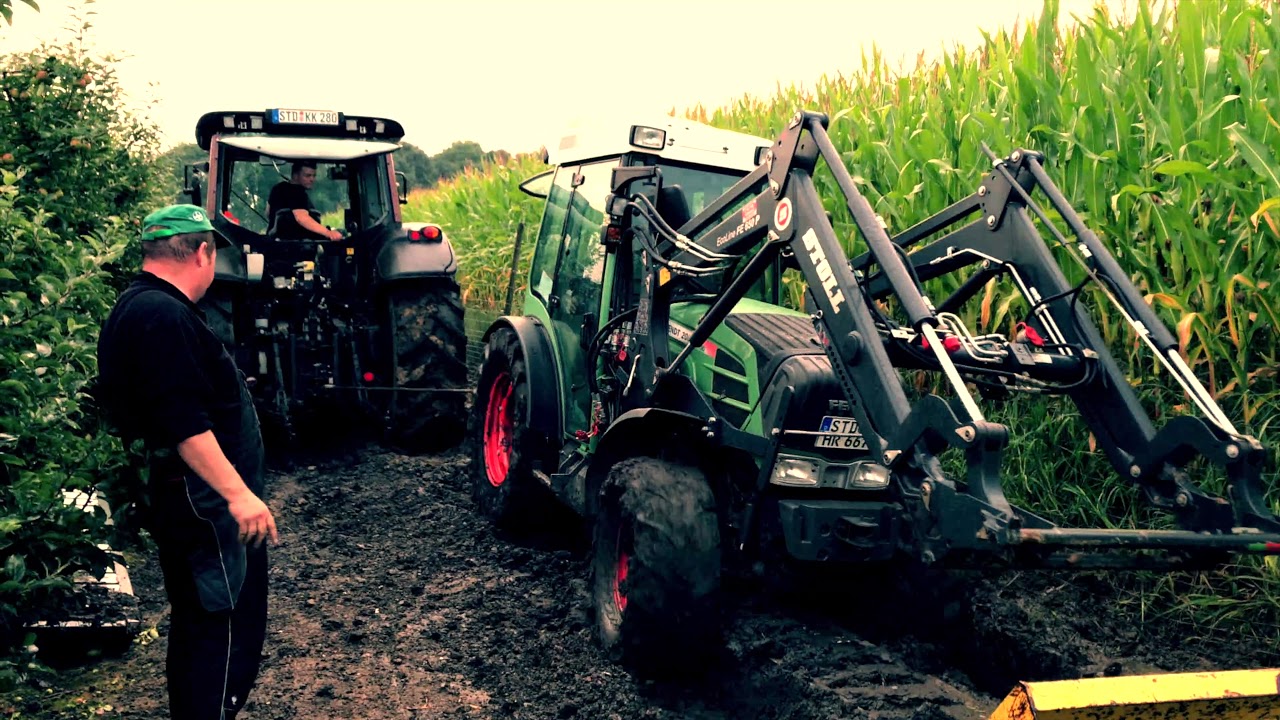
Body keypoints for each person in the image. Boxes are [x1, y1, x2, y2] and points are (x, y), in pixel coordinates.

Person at [95, 203, 279, 720]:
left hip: (188, 499)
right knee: (219, 630)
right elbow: (184, 422)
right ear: (203, 252)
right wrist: (238, 494)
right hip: (202, 504)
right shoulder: (162, 314)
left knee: (202, 624)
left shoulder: (140, 307)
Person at [265, 160, 342, 240]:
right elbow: (301, 218)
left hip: (273, 243)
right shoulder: (296, 192)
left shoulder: (277, 188)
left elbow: (268, 213)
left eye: (314, 175)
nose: (312, 179)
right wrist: (328, 233)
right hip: (295, 246)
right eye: (307, 176)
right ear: (295, 175)